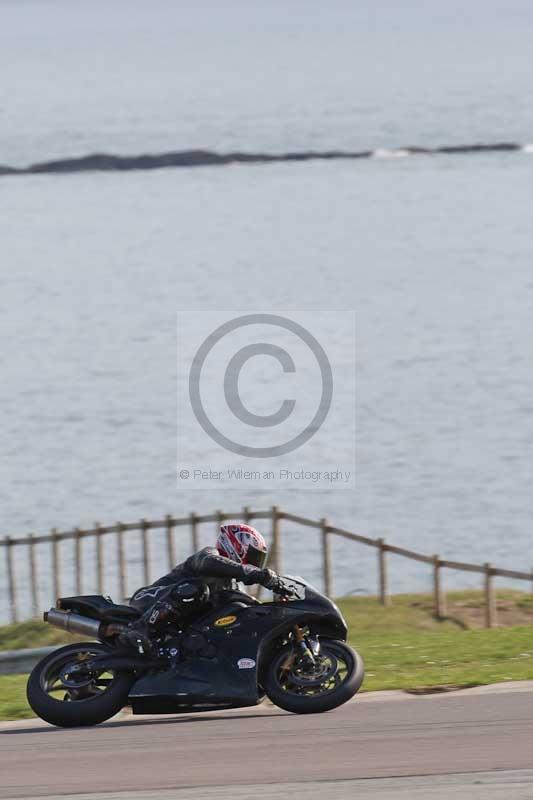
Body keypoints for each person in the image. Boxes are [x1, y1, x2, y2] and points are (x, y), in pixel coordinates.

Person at [120, 522, 288, 653]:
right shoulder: (209, 555)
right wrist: (256, 573)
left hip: (175, 622)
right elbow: (210, 562)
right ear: (237, 546)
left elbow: (249, 608)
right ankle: (140, 629)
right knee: (197, 588)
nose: (255, 563)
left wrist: (274, 610)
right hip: (147, 599)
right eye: (253, 556)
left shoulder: (231, 585)